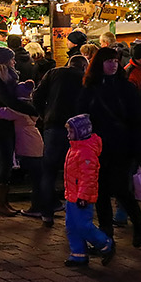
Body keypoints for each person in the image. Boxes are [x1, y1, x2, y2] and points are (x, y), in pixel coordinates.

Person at [78, 46, 141, 248]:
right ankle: (106, 235)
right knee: (100, 191)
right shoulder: (90, 87)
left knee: (120, 188)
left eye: (116, 61)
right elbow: (82, 114)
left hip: (121, 145)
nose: (113, 64)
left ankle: (138, 221)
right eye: (109, 61)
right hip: (97, 146)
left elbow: (137, 119)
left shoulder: (125, 87)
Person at [0, 46, 36, 217]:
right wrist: (32, 110)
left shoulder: (6, 77)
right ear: (4, 62)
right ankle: (0, 203)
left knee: (8, 162)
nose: (14, 61)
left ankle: (4, 202)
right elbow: (9, 100)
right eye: (11, 59)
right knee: (5, 163)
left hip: (6, 123)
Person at [33, 54, 87, 218]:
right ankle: (74, 211)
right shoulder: (85, 78)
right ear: (84, 66)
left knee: (48, 170)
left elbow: (36, 96)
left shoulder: (54, 73)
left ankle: (46, 212)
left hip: (53, 125)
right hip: (76, 129)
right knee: (75, 171)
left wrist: (44, 114)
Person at [0, 81, 49, 221]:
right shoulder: (30, 106)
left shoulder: (18, 110)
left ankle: (37, 207)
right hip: (36, 142)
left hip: (28, 145)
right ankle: (46, 204)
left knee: (36, 178)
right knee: (38, 176)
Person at [63, 114, 115, 267]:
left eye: (71, 132)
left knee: (83, 225)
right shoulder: (75, 148)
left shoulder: (86, 152)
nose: (68, 135)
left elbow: (89, 177)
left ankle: (105, 244)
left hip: (81, 197)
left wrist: (83, 196)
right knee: (72, 225)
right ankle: (78, 254)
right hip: (72, 195)